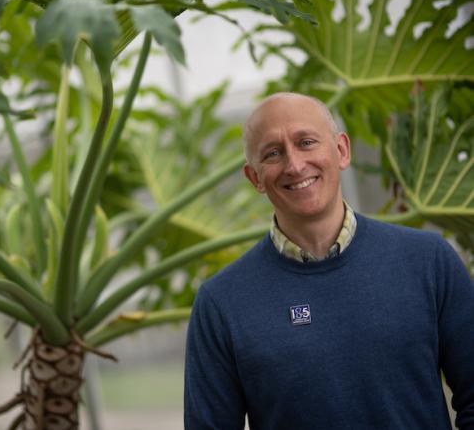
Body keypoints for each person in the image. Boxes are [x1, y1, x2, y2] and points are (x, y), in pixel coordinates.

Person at [184, 92, 474, 429]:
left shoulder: (428, 260)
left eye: (306, 142)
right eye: (273, 153)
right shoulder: (221, 303)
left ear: (341, 151)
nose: (294, 165)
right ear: (255, 178)